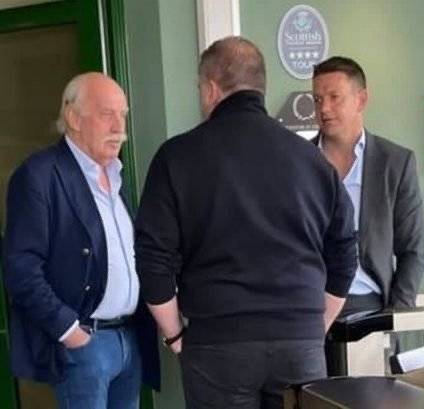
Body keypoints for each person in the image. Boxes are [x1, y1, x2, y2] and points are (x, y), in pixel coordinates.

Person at [135, 36, 357, 409]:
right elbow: (345, 255)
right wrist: (313, 326)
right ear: (260, 87)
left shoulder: (176, 158)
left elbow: (152, 259)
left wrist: (174, 336)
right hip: (299, 341)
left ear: (211, 89)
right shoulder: (313, 161)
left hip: (217, 342)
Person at [2, 72, 160, 409]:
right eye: (107, 114)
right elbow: (21, 268)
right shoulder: (39, 175)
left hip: (129, 338)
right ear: (73, 118)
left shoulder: (117, 176)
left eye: (123, 115)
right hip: (86, 344)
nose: (119, 127)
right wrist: (69, 331)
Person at [312, 56, 424, 316]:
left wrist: (395, 316)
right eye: (317, 99)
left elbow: (412, 251)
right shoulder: (299, 161)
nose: (324, 108)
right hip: (310, 309)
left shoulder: (395, 163)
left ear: (361, 100)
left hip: (371, 307)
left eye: (334, 97)